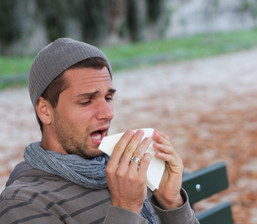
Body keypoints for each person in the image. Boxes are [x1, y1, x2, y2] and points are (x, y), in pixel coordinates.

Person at [0, 38, 199, 223]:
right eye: (86, 101)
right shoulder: (24, 202)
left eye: (108, 98)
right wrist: (126, 209)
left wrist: (172, 203)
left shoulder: (129, 171)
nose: (108, 113)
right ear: (45, 111)